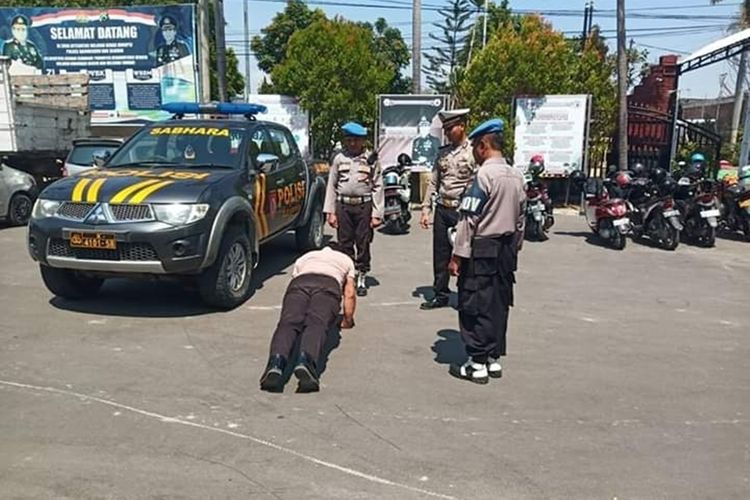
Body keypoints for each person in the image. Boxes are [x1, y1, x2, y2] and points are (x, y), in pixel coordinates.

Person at [447, 118, 526, 384]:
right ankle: (493, 357)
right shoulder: (516, 175)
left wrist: (458, 255)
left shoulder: (484, 175)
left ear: (483, 145)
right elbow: (521, 219)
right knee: (499, 302)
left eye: (475, 147)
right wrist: (514, 247)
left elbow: (469, 218)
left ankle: (476, 362)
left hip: (482, 247)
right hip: (506, 249)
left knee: (474, 302)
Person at [259, 242, 357, 393]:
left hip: (299, 284)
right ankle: (306, 361)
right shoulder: (346, 259)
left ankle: (276, 363)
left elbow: (295, 278)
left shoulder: (306, 257)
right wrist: (347, 320)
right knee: (316, 323)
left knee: (288, 323)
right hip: (328, 284)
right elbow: (349, 293)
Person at [419, 108, 475, 310]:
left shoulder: (472, 152)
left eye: (451, 128)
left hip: (463, 211)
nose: (448, 132)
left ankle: (464, 296)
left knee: (464, 253)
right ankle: (440, 294)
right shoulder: (443, 152)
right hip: (443, 208)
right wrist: (426, 209)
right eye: (445, 129)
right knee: (440, 254)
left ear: (462, 126)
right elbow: (433, 182)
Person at [323, 122, 383, 297]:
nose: (352, 144)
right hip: (343, 206)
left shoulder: (370, 159)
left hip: (363, 205)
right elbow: (331, 186)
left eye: (356, 140)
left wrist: (377, 213)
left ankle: (362, 276)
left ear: (363, 141)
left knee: (363, 242)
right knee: (344, 243)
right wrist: (330, 212)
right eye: (349, 140)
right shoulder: (339, 158)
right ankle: (348, 276)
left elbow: (378, 186)